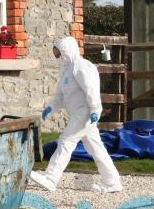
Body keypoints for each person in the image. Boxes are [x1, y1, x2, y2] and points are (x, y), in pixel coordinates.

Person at [29, 36, 122, 193]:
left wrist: (95, 109)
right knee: (95, 147)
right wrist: (51, 108)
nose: (58, 57)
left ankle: (51, 178)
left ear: (67, 51)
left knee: (66, 141)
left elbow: (91, 90)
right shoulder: (66, 71)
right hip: (79, 114)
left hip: (85, 114)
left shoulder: (82, 67)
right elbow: (60, 96)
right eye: (56, 55)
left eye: (58, 54)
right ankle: (112, 182)